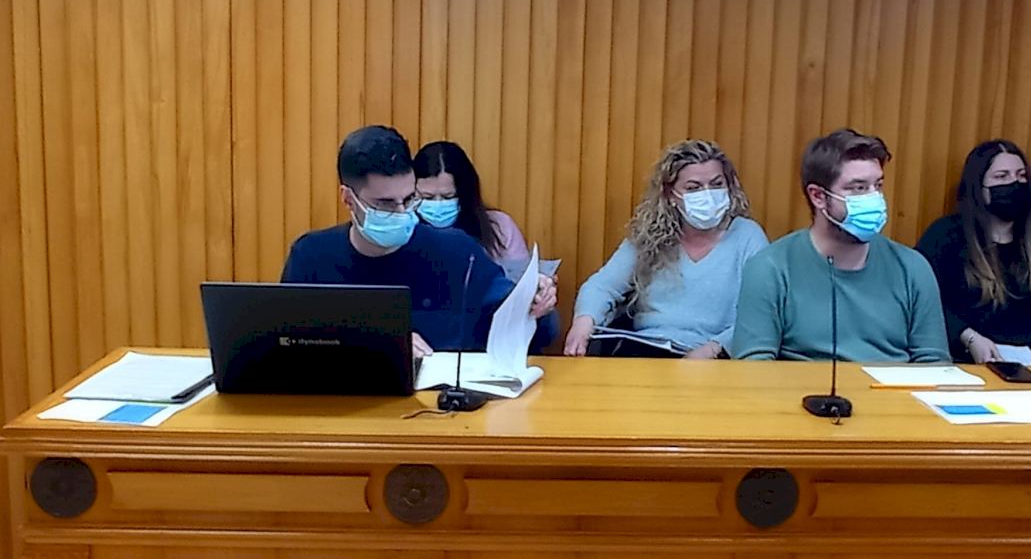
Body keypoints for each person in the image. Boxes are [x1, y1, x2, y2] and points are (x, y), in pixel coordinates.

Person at [281, 126, 556, 357]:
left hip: (445, 402)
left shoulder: (458, 252)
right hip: (346, 400)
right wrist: (379, 344)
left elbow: (533, 333)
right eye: (385, 203)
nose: (402, 212)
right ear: (348, 199)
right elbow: (285, 347)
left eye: (410, 198)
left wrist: (537, 303)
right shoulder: (311, 257)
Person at [731, 128, 949, 363]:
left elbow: (934, 364)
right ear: (818, 196)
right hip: (804, 387)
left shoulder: (912, 267)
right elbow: (754, 367)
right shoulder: (770, 268)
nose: (874, 198)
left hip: (893, 386)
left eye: (878, 185)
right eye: (858, 188)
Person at [563, 139, 768, 359]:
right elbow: (602, 286)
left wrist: (713, 349)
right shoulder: (650, 235)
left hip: (716, 356)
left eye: (717, 184)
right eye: (693, 188)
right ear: (671, 195)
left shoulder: (747, 236)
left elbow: (764, 313)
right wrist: (584, 321)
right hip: (647, 350)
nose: (707, 194)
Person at [916, 139, 1031, 364]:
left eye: (1021, 176)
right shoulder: (945, 236)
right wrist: (968, 338)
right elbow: (925, 301)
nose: (1014, 183)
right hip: (966, 361)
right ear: (978, 188)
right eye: (1001, 177)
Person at [413, 141, 532, 275]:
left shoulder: (500, 228)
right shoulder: (402, 232)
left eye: (448, 197)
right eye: (427, 197)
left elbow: (521, 278)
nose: (438, 204)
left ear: (465, 194)